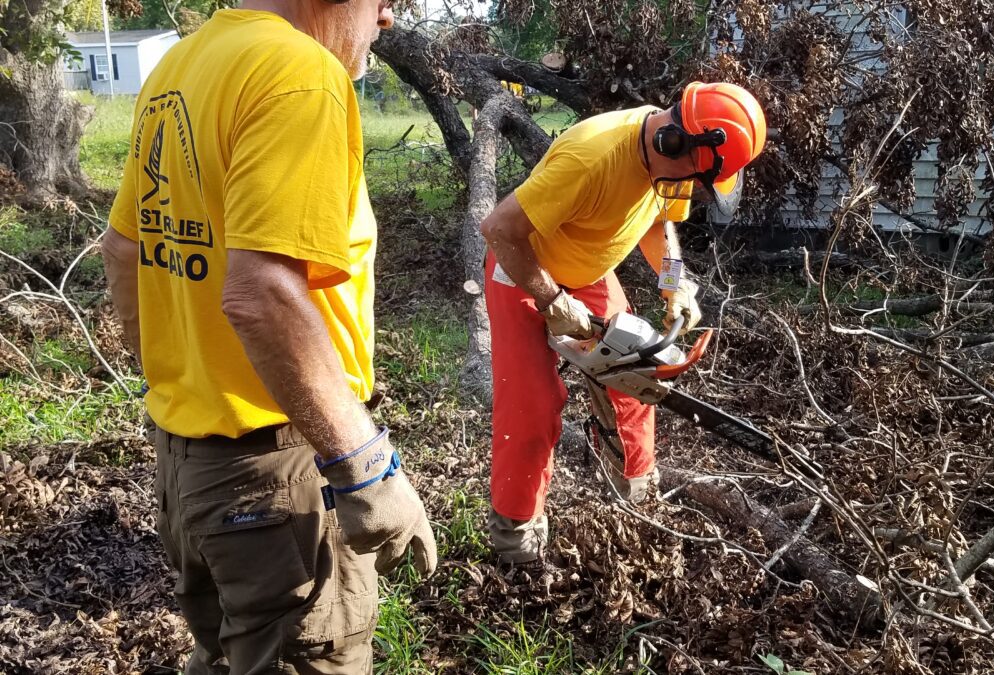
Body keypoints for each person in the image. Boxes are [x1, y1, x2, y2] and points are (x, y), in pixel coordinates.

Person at [100, 0, 437, 671]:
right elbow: (262, 294)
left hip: (187, 470)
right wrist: (365, 465)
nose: (388, 18)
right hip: (276, 477)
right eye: (383, 0)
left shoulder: (181, 64)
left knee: (224, 655)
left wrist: (182, 378)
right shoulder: (298, 72)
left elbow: (122, 249)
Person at [479, 82, 766, 565]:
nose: (694, 189)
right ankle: (516, 538)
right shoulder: (592, 158)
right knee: (533, 407)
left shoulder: (673, 155)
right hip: (522, 267)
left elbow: (658, 221)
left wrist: (674, 283)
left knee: (638, 375)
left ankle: (635, 499)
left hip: (587, 267)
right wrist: (552, 299)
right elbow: (498, 229)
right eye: (698, 180)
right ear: (672, 143)